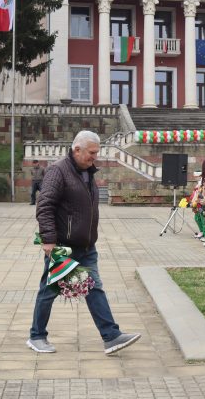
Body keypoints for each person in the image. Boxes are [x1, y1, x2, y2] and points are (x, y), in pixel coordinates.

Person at [28, 130, 140, 355]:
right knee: (49, 291)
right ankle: (36, 336)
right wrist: (48, 239)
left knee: (94, 288)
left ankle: (111, 336)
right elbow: (45, 205)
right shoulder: (57, 171)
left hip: (86, 247)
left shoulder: (88, 172)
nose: (94, 157)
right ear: (76, 149)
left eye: (96, 153)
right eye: (91, 153)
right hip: (63, 247)